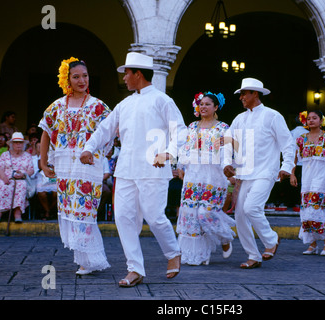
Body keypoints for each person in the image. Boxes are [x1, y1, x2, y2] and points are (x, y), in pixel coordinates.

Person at [80, 52, 187, 287]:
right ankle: (135, 269)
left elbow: (180, 130)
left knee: (155, 217)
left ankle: (173, 253)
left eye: (126, 73)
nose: (124, 78)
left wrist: (168, 153)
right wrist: (89, 147)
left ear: (137, 74)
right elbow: (104, 129)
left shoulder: (162, 100)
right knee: (123, 218)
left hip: (153, 168)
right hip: (126, 169)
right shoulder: (124, 104)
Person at [39, 57, 111, 275]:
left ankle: (88, 261)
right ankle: (85, 258)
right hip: (64, 169)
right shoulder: (57, 106)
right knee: (71, 211)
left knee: (85, 210)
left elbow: (110, 133)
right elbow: (45, 133)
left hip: (88, 168)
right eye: (76, 76)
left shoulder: (98, 106)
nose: (82, 80)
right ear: (67, 79)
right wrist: (43, 162)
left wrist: (99, 153)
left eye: (85, 76)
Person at [223, 78, 295, 269]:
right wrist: (226, 164)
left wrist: (286, 166)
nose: (241, 98)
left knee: (251, 208)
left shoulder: (273, 116)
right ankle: (253, 255)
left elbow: (288, 143)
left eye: (243, 93)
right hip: (243, 173)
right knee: (239, 216)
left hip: (265, 171)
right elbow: (228, 143)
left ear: (255, 93)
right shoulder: (239, 118)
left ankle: (272, 240)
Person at [176, 91, 235, 266]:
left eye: (208, 104)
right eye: (201, 104)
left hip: (213, 175)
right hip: (193, 173)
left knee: (206, 212)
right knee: (191, 215)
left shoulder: (224, 128)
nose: (203, 107)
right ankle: (196, 255)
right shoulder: (192, 126)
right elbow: (185, 148)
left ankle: (225, 237)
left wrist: (229, 169)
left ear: (216, 107)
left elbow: (228, 150)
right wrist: (180, 166)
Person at [290, 110, 325, 255]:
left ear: (321, 120)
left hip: (322, 177)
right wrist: (292, 174)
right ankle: (312, 244)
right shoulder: (301, 139)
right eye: (309, 118)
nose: (311, 120)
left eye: (315, 118)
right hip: (307, 177)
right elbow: (294, 157)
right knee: (306, 211)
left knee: (316, 209)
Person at [0, 132, 34, 223]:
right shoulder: (5, 155)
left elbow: (31, 170)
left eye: (20, 142)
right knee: (1, 186)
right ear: (11, 144)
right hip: (5, 178)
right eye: (16, 142)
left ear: (23, 144)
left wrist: (23, 175)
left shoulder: (28, 156)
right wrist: (4, 178)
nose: (18, 144)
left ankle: (17, 214)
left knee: (21, 186)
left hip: (21, 178)